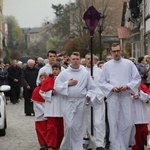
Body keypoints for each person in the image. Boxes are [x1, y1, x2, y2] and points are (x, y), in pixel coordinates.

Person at [99, 43, 141, 150]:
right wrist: (112, 88)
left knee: (128, 123)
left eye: (118, 51)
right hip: (113, 97)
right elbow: (102, 82)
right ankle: (116, 147)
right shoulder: (107, 66)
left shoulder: (129, 64)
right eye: (114, 51)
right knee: (114, 123)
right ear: (111, 52)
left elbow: (136, 78)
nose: (116, 53)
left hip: (126, 96)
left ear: (121, 51)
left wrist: (127, 86)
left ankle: (125, 146)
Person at [54, 52, 96, 150]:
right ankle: (66, 147)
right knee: (69, 126)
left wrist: (89, 95)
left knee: (78, 127)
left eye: (77, 59)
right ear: (70, 60)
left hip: (81, 102)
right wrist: (67, 83)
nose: (75, 61)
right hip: (68, 102)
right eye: (73, 59)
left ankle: (77, 147)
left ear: (80, 60)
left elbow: (92, 87)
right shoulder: (64, 73)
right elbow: (56, 87)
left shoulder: (85, 73)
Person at [40, 62, 64, 150]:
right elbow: (41, 92)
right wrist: (51, 93)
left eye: (56, 69)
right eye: (53, 69)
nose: (54, 71)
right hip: (51, 107)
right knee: (51, 128)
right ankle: (51, 145)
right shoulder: (47, 80)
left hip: (61, 106)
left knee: (61, 128)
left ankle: (60, 145)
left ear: (60, 70)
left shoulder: (63, 79)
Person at [85, 54, 105, 150]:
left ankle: (99, 144)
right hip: (87, 102)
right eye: (88, 59)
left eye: (91, 59)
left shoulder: (100, 72)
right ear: (85, 60)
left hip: (97, 101)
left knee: (98, 123)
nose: (89, 60)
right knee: (89, 123)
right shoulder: (83, 72)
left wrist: (97, 96)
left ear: (95, 60)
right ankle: (91, 143)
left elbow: (103, 86)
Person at [31, 72, 48, 150]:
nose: (43, 80)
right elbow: (36, 103)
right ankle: (43, 144)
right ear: (39, 79)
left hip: (50, 113)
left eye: (45, 78)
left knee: (49, 130)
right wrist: (44, 112)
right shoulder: (37, 90)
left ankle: (49, 143)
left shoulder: (50, 89)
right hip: (40, 113)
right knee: (41, 130)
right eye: (42, 78)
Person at [132, 83, 150, 150]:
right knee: (136, 139)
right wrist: (132, 97)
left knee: (144, 133)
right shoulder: (127, 86)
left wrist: (140, 93)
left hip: (142, 116)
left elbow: (147, 97)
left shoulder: (142, 86)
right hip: (133, 116)